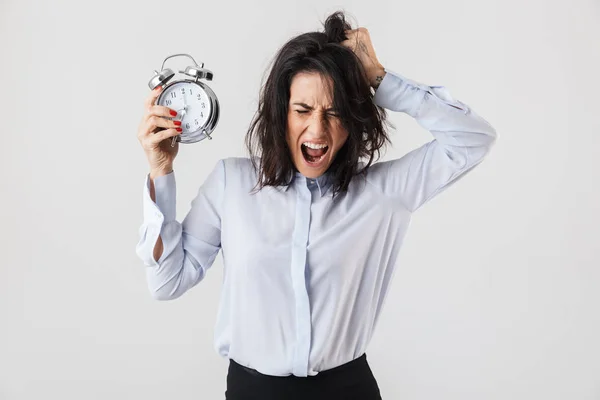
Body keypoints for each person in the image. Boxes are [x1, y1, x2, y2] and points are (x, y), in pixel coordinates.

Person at [135, 11, 497, 400]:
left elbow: (473, 139)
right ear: (281, 115)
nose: (318, 130)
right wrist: (161, 170)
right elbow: (167, 281)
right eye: (303, 110)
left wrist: (377, 76)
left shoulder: (384, 192)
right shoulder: (231, 184)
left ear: (353, 118)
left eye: (334, 111)